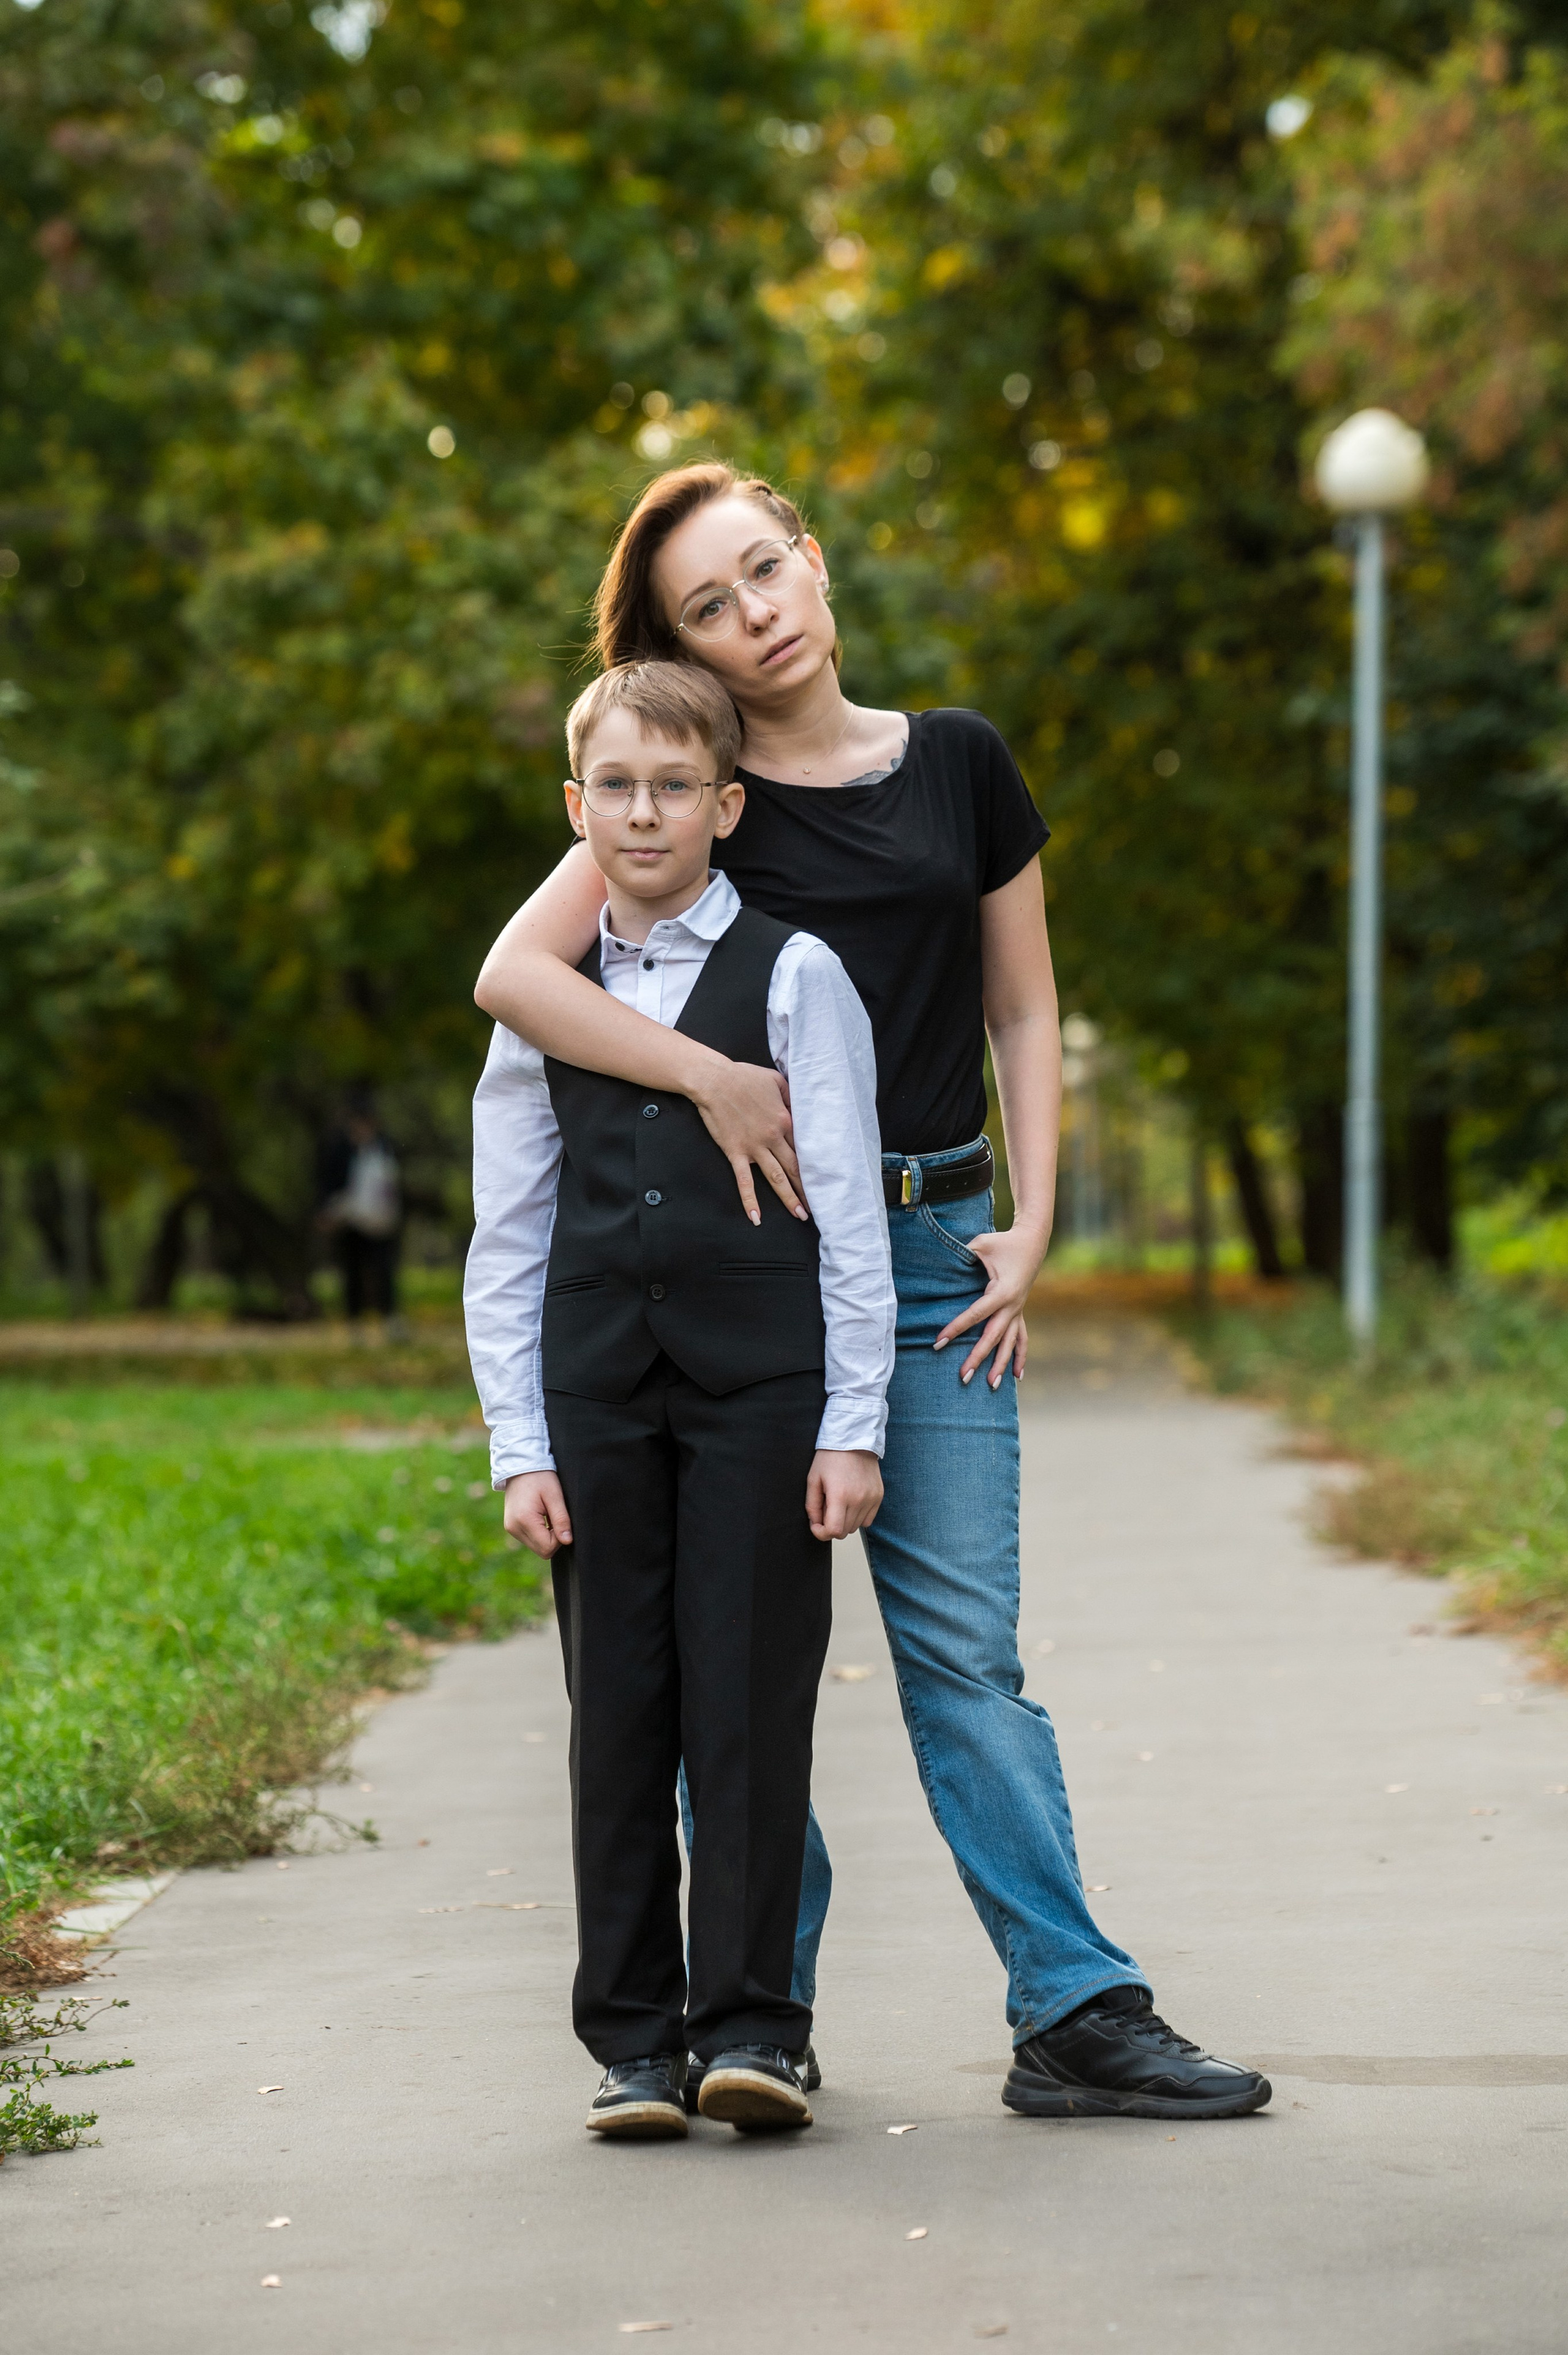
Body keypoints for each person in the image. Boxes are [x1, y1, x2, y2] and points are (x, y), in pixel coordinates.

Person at [473, 463, 1270, 2123]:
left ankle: (1073, 2007)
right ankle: (755, 2015)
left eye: (764, 569)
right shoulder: (692, 786)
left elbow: (1022, 1010)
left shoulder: (958, 761)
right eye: (708, 605)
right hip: (750, 1271)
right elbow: (516, 979)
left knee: (966, 1654)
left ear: (813, 558)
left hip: (932, 1260)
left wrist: (1031, 1221)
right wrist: (709, 1077)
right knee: (720, 1667)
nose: (755, 613)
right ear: (677, 648)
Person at [464, 659, 894, 2139]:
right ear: (574, 805)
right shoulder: (544, 1000)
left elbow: (847, 1217)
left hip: (759, 1393)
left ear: (725, 804)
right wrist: (518, 1443)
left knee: (750, 1707)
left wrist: (851, 1423)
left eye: (671, 786)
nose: (641, 813)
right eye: (615, 787)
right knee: (617, 1720)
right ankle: (635, 2043)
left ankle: (755, 2028)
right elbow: (507, 1234)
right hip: (594, 1395)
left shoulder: (792, 973)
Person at [317, 1108, 403, 1331]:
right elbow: (330, 1184)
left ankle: (390, 1318)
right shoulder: (341, 1151)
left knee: (383, 1271)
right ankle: (355, 1322)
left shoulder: (385, 1148)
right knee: (353, 1273)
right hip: (351, 1223)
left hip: (380, 1222)